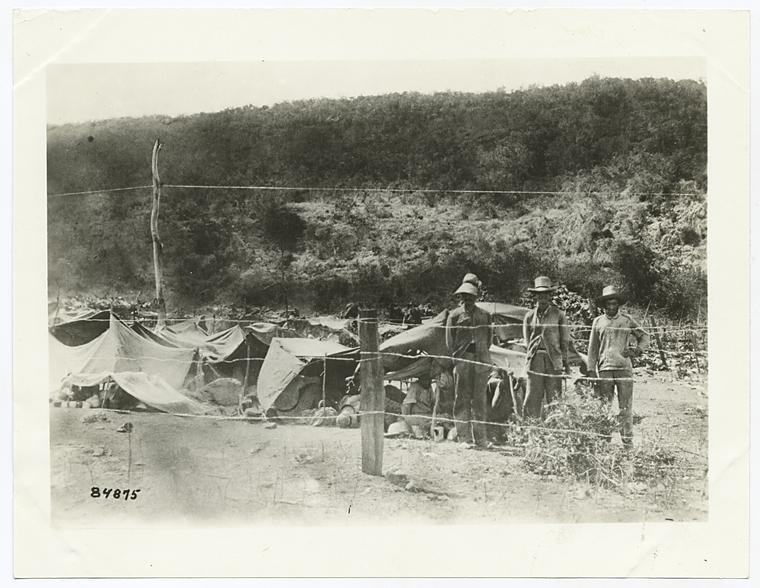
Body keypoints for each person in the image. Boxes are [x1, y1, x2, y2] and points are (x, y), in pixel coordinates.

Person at [587, 285, 650, 448]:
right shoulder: (598, 322)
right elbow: (592, 348)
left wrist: (637, 350)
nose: (611, 306)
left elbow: (644, 337)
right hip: (605, 369)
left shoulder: (627, 320)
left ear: (618, 304)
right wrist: (591, 370)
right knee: (603, 406)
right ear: (604, 305)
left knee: (625, 407)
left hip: (624, 369)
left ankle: (627, 444)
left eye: (614, 303)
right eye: (608, 303)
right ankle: (603, 441)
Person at [445, 274, 493, 448]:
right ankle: (464, 438)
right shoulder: (454, 315)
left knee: (479, 399)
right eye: (465, 296)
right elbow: (449, 341)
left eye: (471, 296)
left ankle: (481, 438)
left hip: (480, 360)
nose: (468, 300)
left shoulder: (485, 316)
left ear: (476, 296)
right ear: (461, 296)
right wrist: (458, 358)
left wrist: (481, 354)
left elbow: (489, 340)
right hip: (462, 360)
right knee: (462, 398)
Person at [522, 276, 570, 419]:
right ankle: (532, 431)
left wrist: (565, 363)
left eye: (545, 295)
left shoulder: (559, 315)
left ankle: (554, 433)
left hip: (553, 361)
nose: (542, 298)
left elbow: (565, 341)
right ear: (535, 297)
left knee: (554, 397)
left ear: (550, 296)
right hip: (535, 360)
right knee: (532, 397)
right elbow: (527, 341)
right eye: (539, 295)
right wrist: (528, 360)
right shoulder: (529, 316)